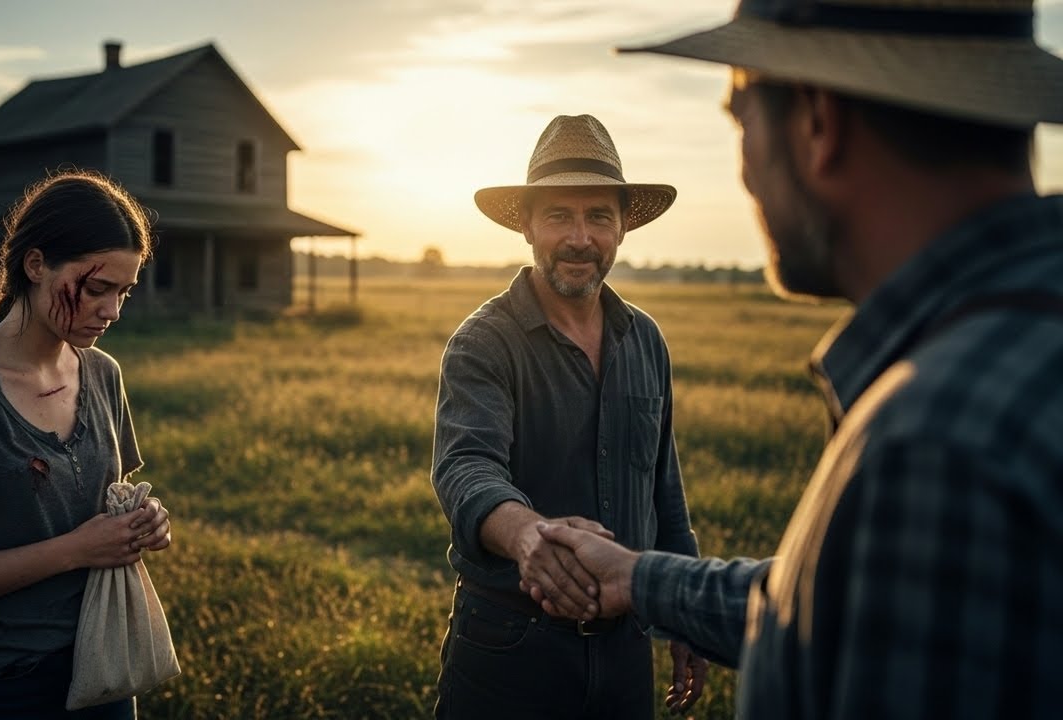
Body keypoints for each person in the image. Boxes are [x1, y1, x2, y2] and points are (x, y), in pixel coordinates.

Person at [529, 0, 1063, 718]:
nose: (743, 165)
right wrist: (643, 579)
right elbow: (846, 605)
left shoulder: (934, 449)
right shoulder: (1022, 342)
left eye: (740, 112)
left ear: (817, 122)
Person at [430, 113, 708, 719]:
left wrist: (685, 609)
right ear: (527, 225)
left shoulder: (646, 339)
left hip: (627, 652)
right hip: (510, 649)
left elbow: (664, 490)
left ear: (622, 229)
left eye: (598, 216)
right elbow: (466, 467)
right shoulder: (485, 342)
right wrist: (528, 535)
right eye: (559, 215)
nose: (580, 237)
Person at [0, 170, 172, 719]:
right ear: (35, 264)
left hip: (104, 668)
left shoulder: (103, 375)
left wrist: (142, 520)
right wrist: (76, 550)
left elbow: (104, 499)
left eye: (123, 292)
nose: (112, 311)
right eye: (96, 288)